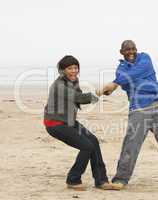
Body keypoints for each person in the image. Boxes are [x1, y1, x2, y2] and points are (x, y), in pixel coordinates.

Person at [96, 40, 158, 190]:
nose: (131, 52)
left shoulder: (145, 58)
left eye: (133, 49)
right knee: (130, 146)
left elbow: (133, 78)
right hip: (137, 110)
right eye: (127, 50)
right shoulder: (121, 70)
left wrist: (114, 84)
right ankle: (121, 179)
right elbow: (129, 81)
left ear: (137, 49)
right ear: (121, 52)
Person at [44, 55, 112, 190]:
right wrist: (98, 93)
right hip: (55, 124)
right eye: (70, 68)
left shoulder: (73, 81)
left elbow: (81, 98)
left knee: (93, 141)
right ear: (62, 70)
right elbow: (79, 97)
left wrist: (100, 93)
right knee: (87, 146)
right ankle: (73, 179)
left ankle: (101, 181)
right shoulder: (59, 85)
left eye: (76, 68)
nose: (74, 71)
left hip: (68, 121)